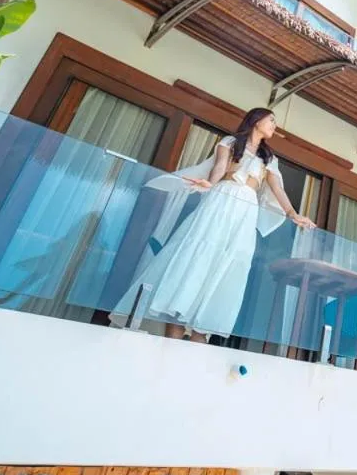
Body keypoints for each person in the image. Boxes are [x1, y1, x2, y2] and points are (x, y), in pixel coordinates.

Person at [111, 107, 312, 342]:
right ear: (256, 120)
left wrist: (292, 213)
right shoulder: (230, 142)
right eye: (271, 120)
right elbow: (218, 168)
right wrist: (209, 183)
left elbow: (278, 188)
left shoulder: (269, 158)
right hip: (222, 198)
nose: (274, 126)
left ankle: (202, 329)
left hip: (246, 208)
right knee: (199, 252)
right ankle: (174, 319)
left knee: (229, 259)